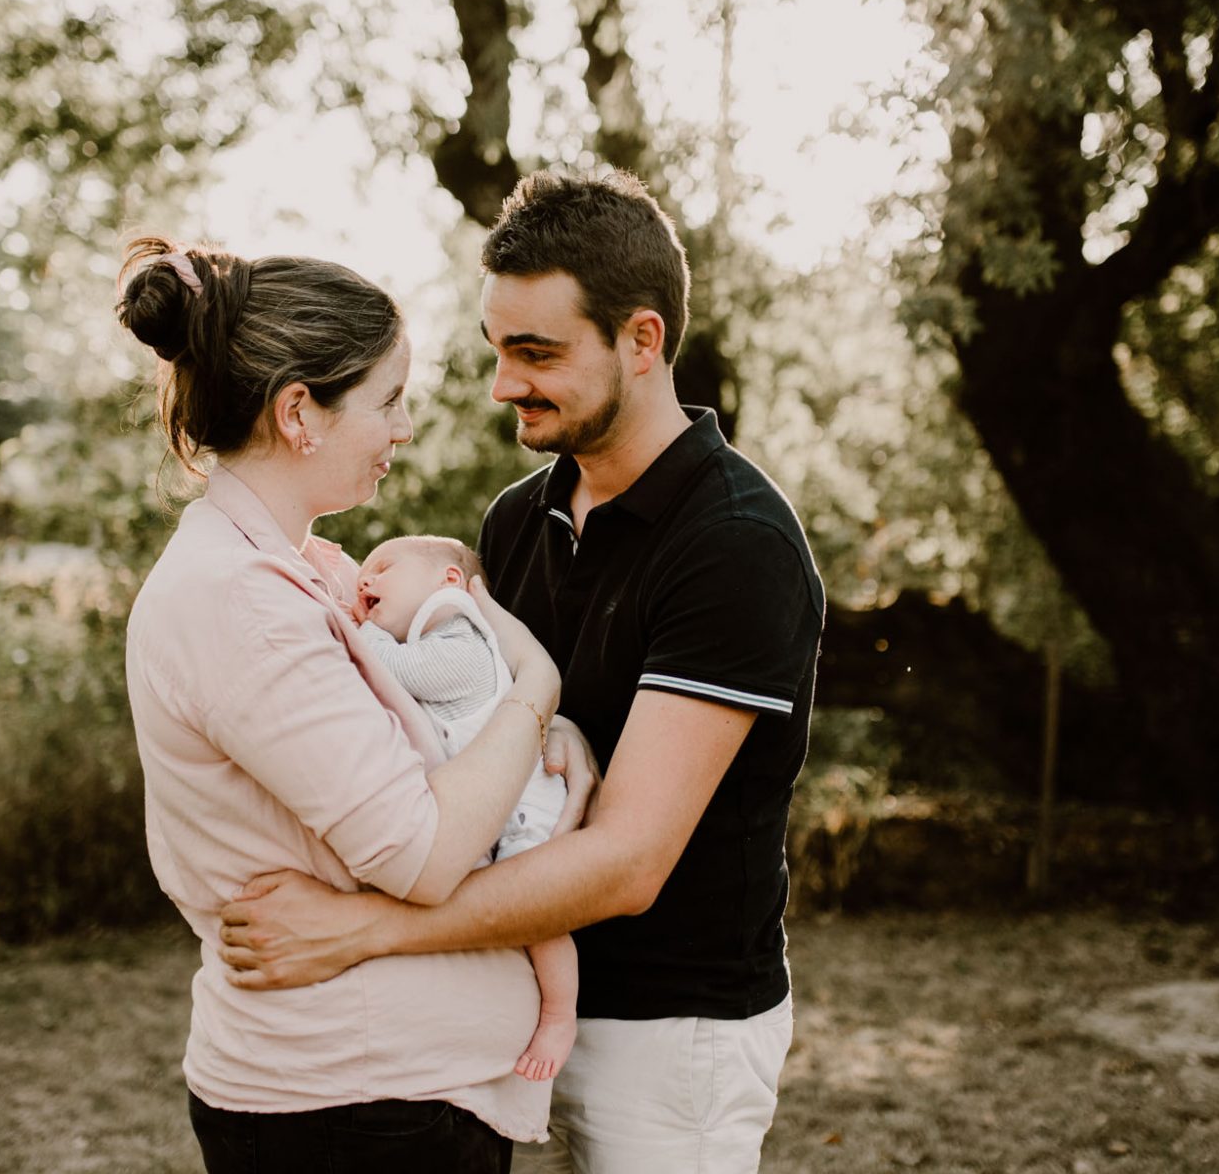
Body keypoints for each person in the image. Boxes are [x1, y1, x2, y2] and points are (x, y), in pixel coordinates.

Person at [218, 170, 827, 1174]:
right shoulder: (514, 518)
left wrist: (360, 932)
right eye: (498, 350)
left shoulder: (735, 545)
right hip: (499, 999)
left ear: (641, 341)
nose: (503, 384)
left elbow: (629, 863)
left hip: (666, 1034)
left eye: (536, 354)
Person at [115, 235, 595, 1173]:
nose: (404, 429)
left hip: (382, 1098)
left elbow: (426, 753)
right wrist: (537, 691)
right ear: (300, 412)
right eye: (388, 401)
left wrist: (537, 732)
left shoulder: (291, 575)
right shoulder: (239, 601)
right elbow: (421, 851)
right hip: (352, 1108)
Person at [352, 534, 579, 1081]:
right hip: (492, 817)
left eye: (383, 568)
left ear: (449, 583)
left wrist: (354, 628)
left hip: (528, 812)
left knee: (541, 919)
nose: (365, 582)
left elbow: (400, 672)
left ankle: (558, 1014)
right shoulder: (432, 637)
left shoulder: (463, 641)